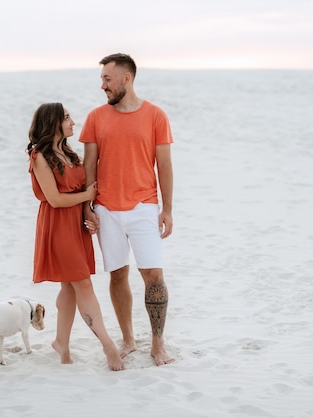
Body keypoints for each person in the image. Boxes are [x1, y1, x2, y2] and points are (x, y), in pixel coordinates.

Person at [79, 53, 175, 366]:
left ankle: (158, 345)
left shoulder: (156, 115)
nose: (103, 86)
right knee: (117, 274)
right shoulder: (95, 117)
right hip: (106, 209)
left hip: (144, 207)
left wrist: (167, 209)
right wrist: (88, 208)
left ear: (126, 78)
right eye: (102, 79)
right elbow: (89, 164)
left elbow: (164, 166)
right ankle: (129, 339)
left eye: (107, 79)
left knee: (154, 275)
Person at [27, 102, 124, 371]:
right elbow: (56, 200)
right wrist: (87, 196)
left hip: (74, 225)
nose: (73, 122)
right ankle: (108, 345)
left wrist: (88, 213)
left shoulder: (69, 153)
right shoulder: (40, 156)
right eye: (67, 118)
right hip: (57, 225)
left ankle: (61, 343)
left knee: (70, 286)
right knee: (82, 284)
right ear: (53, 123)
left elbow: (80, 190)